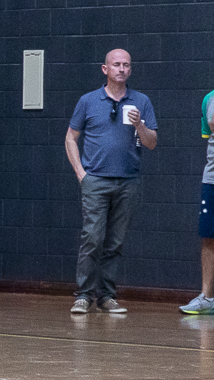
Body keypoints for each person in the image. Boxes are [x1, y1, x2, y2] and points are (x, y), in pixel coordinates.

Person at [65, 47, 156, 316]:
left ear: (131, 69)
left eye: (126, 65)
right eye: (116, 64)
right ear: (105, 69)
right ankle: (83, 295)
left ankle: (107, 296)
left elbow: (151, 143)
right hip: (95, 180)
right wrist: (81, 173)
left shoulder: (141, 101)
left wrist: (140, 125)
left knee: (115, 243)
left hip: (127, 181)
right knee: (92, 237)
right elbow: (71, 137)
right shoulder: (88, 101)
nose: (121, 69)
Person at [186, 86, 214, 317]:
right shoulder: (209, 99)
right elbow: (209, 134)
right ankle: (206, 297)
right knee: (208, 236)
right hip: (211, 179)